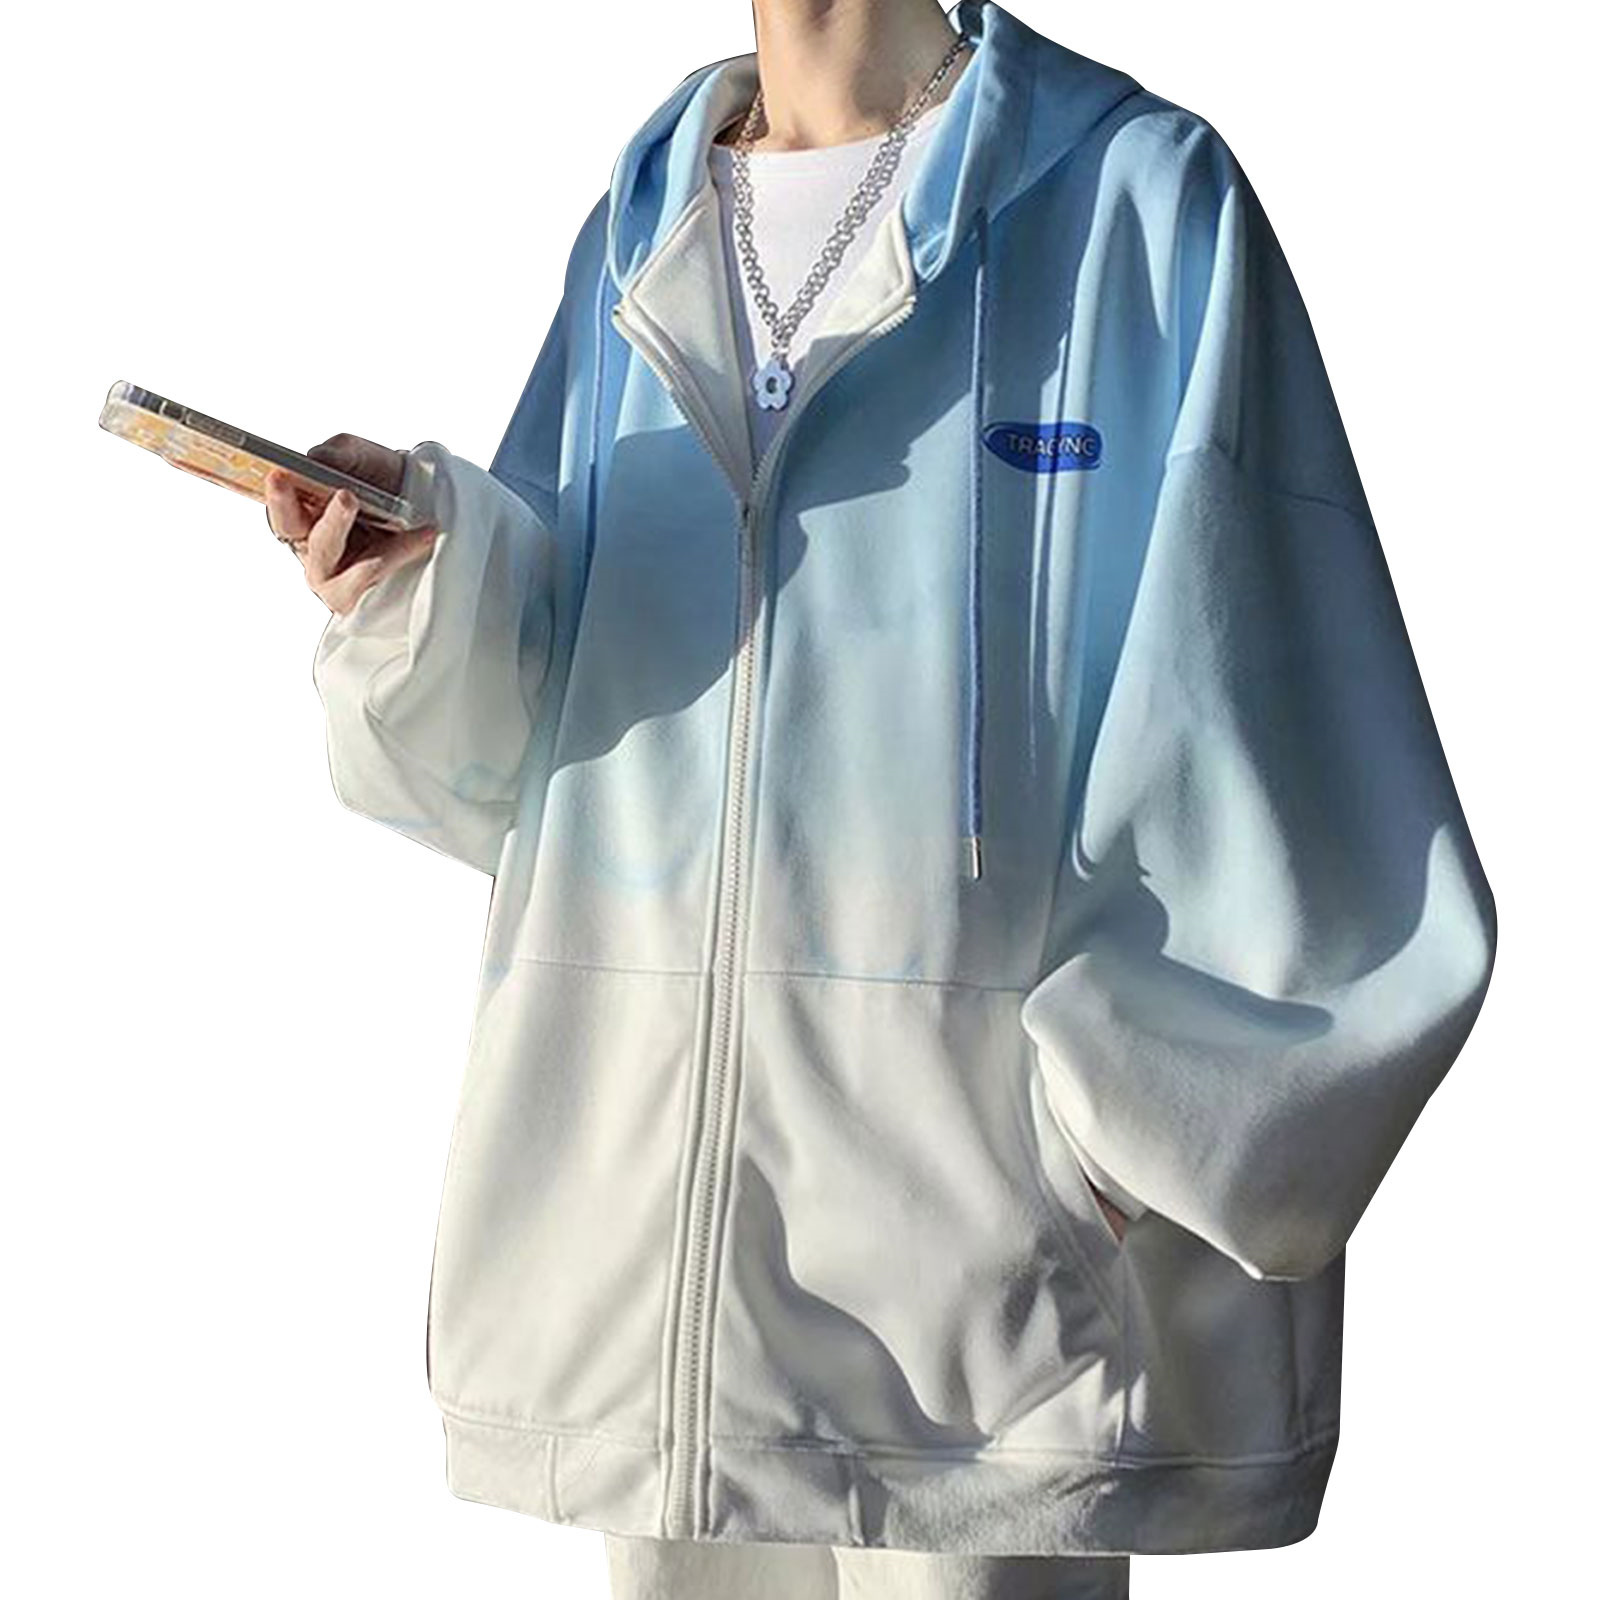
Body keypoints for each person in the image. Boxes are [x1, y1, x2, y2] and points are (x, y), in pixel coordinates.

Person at [263, 2, 1497, 1596]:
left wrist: (1113, 1138)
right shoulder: (645, 225)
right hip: (661, 1290)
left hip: (981, 1321)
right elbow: (543, 756)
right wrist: (427, 579)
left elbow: (1294, 728)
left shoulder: (1132, 200)